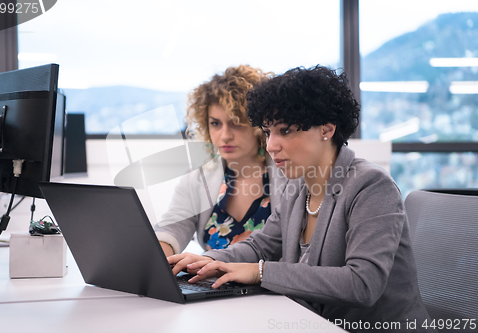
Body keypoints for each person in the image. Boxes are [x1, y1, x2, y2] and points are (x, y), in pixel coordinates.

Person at [168, 66, 434, 332]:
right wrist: (210, 262)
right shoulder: (297, 187)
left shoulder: (372, 186)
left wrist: (260, 272)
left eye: (285, 131)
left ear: (326, 129)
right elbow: (261, 246)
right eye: (268, 131)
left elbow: (362, 284)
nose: (271, 145)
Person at [154, 65, 288, 257]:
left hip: (270, 284)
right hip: (211, 284)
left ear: (259, 125)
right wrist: (155, 261)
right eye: (215, 123)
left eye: (236, 123)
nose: (225, 136)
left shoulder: (290, 173)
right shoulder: (199, 175)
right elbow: (173, 226)